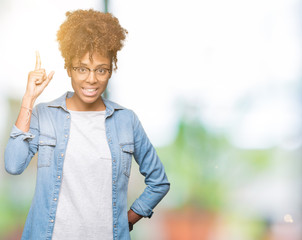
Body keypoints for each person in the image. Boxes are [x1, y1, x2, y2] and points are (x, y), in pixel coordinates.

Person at [4, 9, 170, 240]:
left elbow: (159, 182)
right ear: (68, 68)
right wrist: (29, 99)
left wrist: (126, 220)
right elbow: (13, 165)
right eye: (82, 68)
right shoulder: (46, 115)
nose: (91, 79)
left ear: (111, 70)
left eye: (101, 70)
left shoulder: (126, 121)